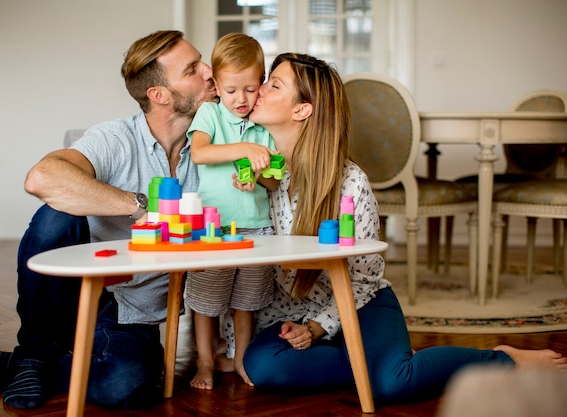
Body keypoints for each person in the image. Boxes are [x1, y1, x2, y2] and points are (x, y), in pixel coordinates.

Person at [240, 52, 567, 402]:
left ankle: (502, 360)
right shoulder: (256, 177)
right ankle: (367, 362)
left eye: (273, 84)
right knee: (262, 366)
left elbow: (363, 278)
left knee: (394, 383)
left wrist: (316, 328)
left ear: (302, 110)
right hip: (290, 314)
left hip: (360, 302)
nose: (259, 89)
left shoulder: (350, 182)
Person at [0, 30, 218, 409]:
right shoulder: (115, 138)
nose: (209, 71)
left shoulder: (214, 149)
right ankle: (35, 352)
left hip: (134, 312)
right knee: (55, 216)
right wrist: (138, 206)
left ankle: (31, 364)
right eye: (192, 69)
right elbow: (41, 177)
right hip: (77, 297)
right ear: (159, 95)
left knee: (122, 385)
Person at [186, 33, 276, 390]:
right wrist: (243, 149)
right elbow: (200, 153)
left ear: (262, 84)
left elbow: (273, 182)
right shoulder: (209, 113)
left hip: (256, 227)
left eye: (251, 89)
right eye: (231, 90)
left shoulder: (263, 124)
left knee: (246, 302)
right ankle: (205, 362)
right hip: (214, 226)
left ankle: (240, 357)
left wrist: (259, 174)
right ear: (217, 87)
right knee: (208, 302)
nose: (241, 99)